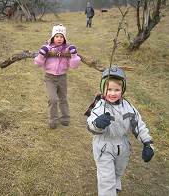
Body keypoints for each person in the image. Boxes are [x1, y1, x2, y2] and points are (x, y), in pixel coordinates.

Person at [86, 66, 154, 196]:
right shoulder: (99, 106)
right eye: (109, 89)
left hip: (122, 147)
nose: (112, 93)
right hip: (103, 146)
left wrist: (147, 143)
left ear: (122, 90)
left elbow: (138, 125)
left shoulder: (128, 107)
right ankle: (108, 191)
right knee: (106, 177)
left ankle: (115, 182)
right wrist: (97, 124)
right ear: (102, 88)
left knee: (118, 171)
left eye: (117, 90)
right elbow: (90, 124)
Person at [34, 24, 81, 129]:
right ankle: (53, 120)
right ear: (52, 37)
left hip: (62, 77)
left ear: (64, 38)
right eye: (57, 36)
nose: (59, 39)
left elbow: (74, 66)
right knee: (53, 99)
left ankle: (65, 118)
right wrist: (41, 55)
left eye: (61, 36)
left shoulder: (67, 49)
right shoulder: (47, 48)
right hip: (50, 78)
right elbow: (37, 64)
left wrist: (74, 55)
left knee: (63, 98)